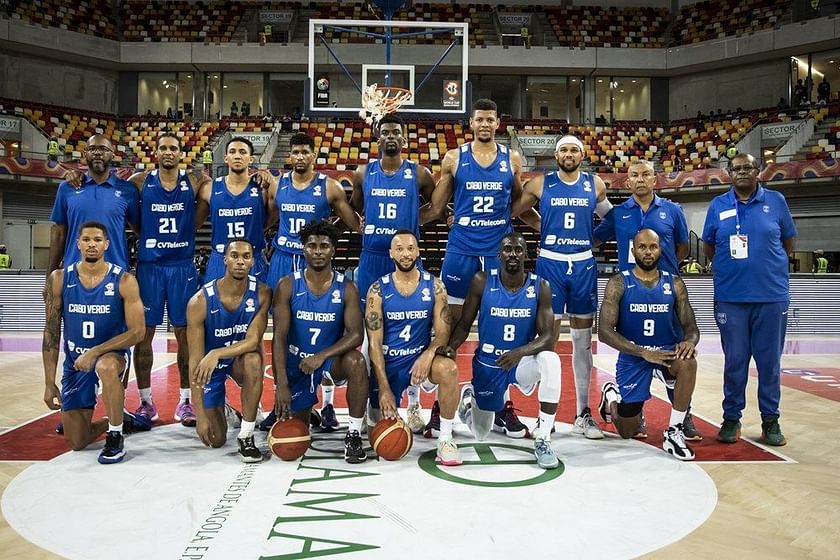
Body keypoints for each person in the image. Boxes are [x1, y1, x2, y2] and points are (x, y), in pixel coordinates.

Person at [424, 98, 539, 437]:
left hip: (498, 252)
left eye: (491, 119)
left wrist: (548, 229)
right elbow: (436, 206)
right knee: (450, 328)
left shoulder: (511, 159)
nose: (485, 124)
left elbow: (517, 204)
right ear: (470, 123)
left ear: (497, 123)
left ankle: (500, 403)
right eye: (480, 119)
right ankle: (440, 404)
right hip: (461, 249)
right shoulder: (454, 158)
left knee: (500, 327)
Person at [511, 134, 613, 440]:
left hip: (583, 264)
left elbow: (611, 218)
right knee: (548, 340)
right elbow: (516, 210)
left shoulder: (595, 184)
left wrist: (593, 238)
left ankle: (583, 412)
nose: (569, 154)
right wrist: (544, 225)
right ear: (556, 155)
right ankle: (548, 415)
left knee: (583, 343)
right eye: (564, 150)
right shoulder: (540, 184)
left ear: (581, 155)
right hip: (551, 264)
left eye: (574, 150)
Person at [592, 159, 698, 439]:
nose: (641, 179)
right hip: (631, 294)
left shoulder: (673, 210)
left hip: (666, 294)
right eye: (635, 176)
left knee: (679, 355)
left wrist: (664, 277)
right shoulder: (617, 214)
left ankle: (682, 417)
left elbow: (682, 247)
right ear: (628, 183)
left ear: (655, 179)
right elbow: (595, 240)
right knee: (628, 428)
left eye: (646, 175)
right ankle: (619, 399)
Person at [443, 232, 562, 469]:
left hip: (521, 363)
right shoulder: (482, 280)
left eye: (518, 250)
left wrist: (520, 352)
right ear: (499, 255)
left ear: (526, 254)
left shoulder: (541, 286)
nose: (513, 255)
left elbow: (548, 338)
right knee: (480, 433)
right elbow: (465, 324)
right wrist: (450, 348)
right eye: (508, 249)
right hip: (490, 364)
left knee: (551, 360)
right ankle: (470, 399)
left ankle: (543, 438)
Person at [349, 114, 437, 434]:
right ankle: (376, 396)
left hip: (407, 259)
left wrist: (413, 226)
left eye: (396, 133)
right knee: (372, 333)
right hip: (372, 258)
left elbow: (436, 206)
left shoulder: (419, 173)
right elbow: (357, 208)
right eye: (384, 132)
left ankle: (413, 403)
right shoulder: (364, 172)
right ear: (377, 137)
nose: (390, 137)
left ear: (404, 139)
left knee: (415, 330)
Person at [703, 153, 797, 446]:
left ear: (759, 172)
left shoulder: (777, 202)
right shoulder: (718, 205)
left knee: (769, 363)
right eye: (737, 168)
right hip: (731, 298)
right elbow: (708, 247)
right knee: (735, 361)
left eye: (748, 168)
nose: (742, 172)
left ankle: (771, 421)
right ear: (729, 173)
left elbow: (788, 243)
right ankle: (731, 418)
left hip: (771, 297)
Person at [42, 222, 149, 464]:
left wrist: (96, 351)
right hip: (76, 362)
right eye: (87, 239)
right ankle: (120, 420)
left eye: (98, 240)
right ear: (77, 243)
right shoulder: (59, 278)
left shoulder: (123, 280)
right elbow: (51, 334)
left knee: (106, 367)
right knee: (77, 441)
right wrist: (49, 383)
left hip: (112, 355)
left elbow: (138, 332)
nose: (92, 244)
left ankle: (115, 435)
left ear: (106, 245)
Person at [597, 229, 700, 461]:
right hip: (634, 354)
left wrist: (689, 342)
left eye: (653, 246)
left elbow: (691, 327)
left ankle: (674, 431)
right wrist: (643, 352)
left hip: (666, 352)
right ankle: (612, 397)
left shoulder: (674, 283)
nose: (648, 251)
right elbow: (603, 332)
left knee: (688, 362)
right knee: (627, 431)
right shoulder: (618, 283)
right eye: (642, 247)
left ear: (660, 250)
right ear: (633, 251)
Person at [272, 220, 369, 463]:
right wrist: (281, 385)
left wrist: (321, 356)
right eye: (312, 246)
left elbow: (356, 334)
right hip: (298, 363)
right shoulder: (287, 285)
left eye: (324, 246)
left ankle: (354, 433)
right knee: (296, 436)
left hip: (328, 361)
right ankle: (307, 408)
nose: (317, 251)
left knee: (357, 362)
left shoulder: (347, 288)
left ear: (333, 250)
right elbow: (279, 338)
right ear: (303, 249)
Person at [365, 231, 462, 466]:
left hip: (419, 362)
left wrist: (428, 354)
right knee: (376, 440)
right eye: (399, 249)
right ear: (391, 254)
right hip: (389, 365)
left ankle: (446, 439)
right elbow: (374, 345)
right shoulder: (377, 290)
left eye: (410, 248)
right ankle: (388, 407)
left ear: (418, 251)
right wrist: (385, 388)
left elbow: (442, 333)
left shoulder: (436, 287)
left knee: (448, 369)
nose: (405, 254)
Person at [186, 238, 272, 462]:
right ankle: (227, 411)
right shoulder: (199, 302)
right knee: (215, 439)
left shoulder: (262, 293)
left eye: (245, 256)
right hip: (208, 368)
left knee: (254, 359)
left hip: (236, 359)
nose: (240, 261)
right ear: (225, 260)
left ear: (253, 261)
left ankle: (246, 435)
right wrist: (200, 414)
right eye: (234, 256)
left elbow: (253, 341)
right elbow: (195, 362)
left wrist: (217, 353)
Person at [48, 134, 140, 277]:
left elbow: (139, 231)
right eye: (92, 149)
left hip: (116, 276)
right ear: (85, 154)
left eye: (103, 149)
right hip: (75, 275)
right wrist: (49, 277)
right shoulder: (67, 188)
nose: (97, 152)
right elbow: (59, 234)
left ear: (112, 154)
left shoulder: (128, 190)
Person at [197, 136, 273, 283]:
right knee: (215, 305)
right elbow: (195, 224)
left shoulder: (263, 189)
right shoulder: (209, 188)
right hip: (220, 259)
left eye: (243, 152)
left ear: (251, 159)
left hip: (253, 258)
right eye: (232, 152)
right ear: (226, 158)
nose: (237, 156)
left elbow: (271, 217)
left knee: (258, 304)